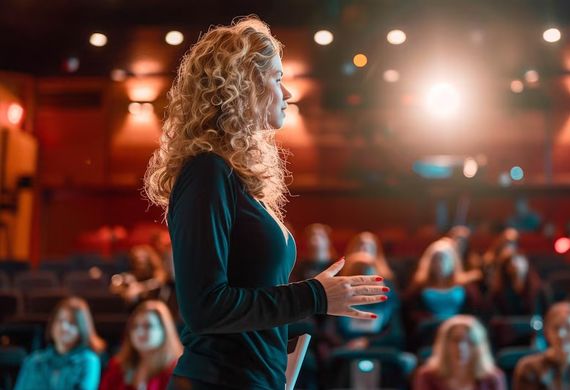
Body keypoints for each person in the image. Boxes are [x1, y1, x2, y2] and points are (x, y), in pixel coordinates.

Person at [143, 16, 388, 389]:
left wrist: (274, 360)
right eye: (277, 79)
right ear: (243, 86)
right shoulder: (206, 172)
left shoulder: (231, 175)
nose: (287, 93)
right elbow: (206, 308)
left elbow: (252, 302)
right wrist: (315, 295)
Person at [14, 297, 105, 390]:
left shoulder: (88, 361)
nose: (64, 328)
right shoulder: (34, 361)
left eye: (71, 323)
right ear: (52, 325)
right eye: (60, 321)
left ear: (82, 329)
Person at [100, 300, 183, 390]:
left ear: (164, 330)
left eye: (148, 326)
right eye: (135, 326)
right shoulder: (118, 366)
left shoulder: (177, 370)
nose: (139, 332)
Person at [413, 315, 507, 390]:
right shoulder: (427, 377)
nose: (461, 347)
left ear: (479, 347)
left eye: (469, 342)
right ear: (444, 345)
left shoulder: (493, 378)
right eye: (456, 340)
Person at [513, 302, 570, 390]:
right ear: (546, 332)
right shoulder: (529, 368)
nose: (561, 334)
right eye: (556, 328)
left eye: (568, 328)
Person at [488, 249, 544, 317]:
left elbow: (541, 315)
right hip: (507, 326)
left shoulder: (537, 289)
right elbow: (496, 319)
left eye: (519, 261)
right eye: (511, 262)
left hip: (533, 325)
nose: (516, 265)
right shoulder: (497, 293)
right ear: (505, 268)